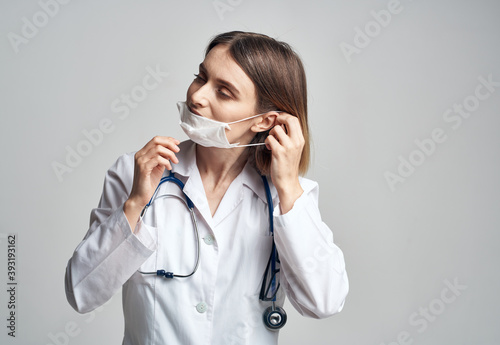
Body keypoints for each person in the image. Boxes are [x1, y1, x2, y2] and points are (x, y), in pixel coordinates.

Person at [65, 31, 348, 345]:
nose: (198, 96)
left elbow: (324, 302)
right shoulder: (136, 174)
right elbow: (81, 292)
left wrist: (288, 186)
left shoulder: (289, 198)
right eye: (201, 77)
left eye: (223, 91)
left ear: (264, 120)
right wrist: (134, 204)